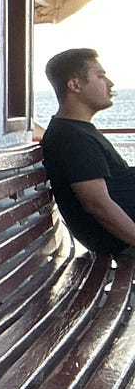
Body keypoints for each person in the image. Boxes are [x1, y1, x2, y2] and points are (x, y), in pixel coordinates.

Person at [39, 48, 135, 257]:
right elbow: (97, 204)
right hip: (124, 244)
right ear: (75, 85)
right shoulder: (73, 138)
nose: (110, 83)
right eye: (100, 76)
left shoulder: (75, 131)